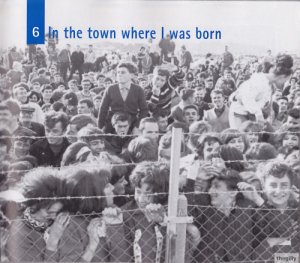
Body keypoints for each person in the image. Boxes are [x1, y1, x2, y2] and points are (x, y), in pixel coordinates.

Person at [6, 167, 65, 262]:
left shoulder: (55, 222)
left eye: (57, 212)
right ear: (33, 205)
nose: (54, 217)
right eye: (49, 212)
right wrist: (52, 244)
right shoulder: (20, 234)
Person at [229, 54, 293, 128]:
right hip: (239, 113)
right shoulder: (260, 80)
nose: (285, 83)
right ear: (282, 76)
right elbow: (246, 97)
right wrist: (258, 114)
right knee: (241, 137)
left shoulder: (270, 84)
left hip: (250, 115)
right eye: (286, 80)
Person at [98, 62, 148, 134]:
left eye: (123, 72)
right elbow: (103, 109)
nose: (119, 75)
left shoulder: (138, 90)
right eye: (118, 72)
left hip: (132, 127)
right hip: (112, 127)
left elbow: (144, 110)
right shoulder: (110, 89)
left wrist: (137, 126)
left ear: (131, 75)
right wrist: (100, 127)